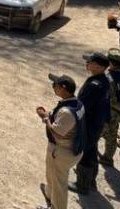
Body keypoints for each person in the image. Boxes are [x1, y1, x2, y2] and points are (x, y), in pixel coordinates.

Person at [37, 74, 86, 209]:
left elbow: (56, 132)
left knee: (59, 185)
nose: (53, 87)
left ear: (63, 88)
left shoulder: (66, 112)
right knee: (52, 176)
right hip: (71, 149)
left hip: (62, 151)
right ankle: (49, 195)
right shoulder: (77, 103)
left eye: (55, 85)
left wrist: (45, 118)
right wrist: (49, 114)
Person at [69, 53, 111, 195]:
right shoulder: (104, 81)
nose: (87, 64)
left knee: (85, 153)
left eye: (90, 62)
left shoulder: (94, 85)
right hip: (97, 123)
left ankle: (82, 185)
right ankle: (91, 180)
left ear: (99, 67)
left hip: (89, 124)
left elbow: (83, 106)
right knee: (91, 151)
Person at [99, 49, 120, 167]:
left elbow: (112, 101)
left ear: (110, 62)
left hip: (111, 114)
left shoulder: (109, 79)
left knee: (109, 136)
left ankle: (107, 158)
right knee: (111, 135)